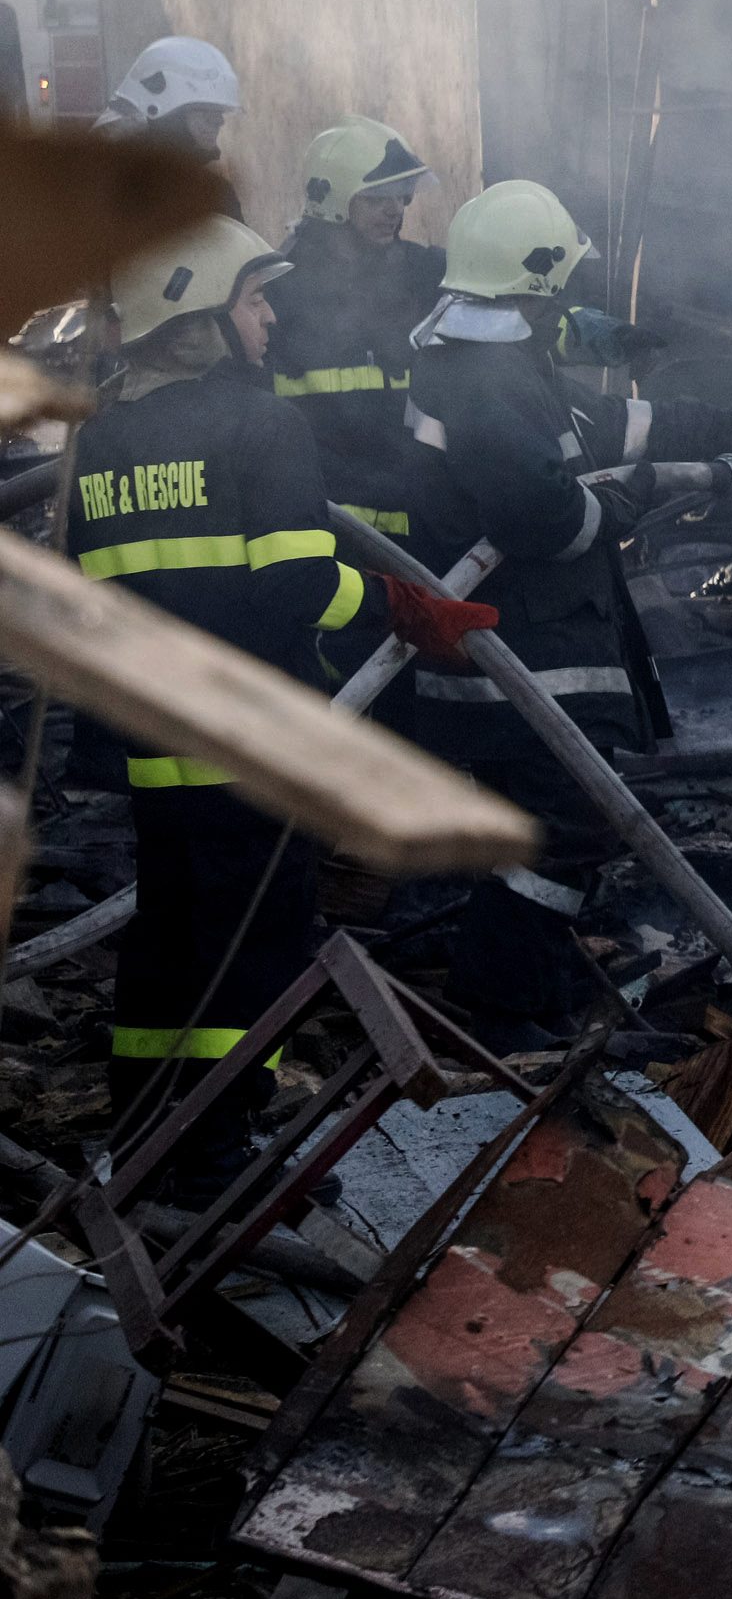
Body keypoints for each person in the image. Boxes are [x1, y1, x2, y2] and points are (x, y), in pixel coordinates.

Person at [67, 217, 484, 1194]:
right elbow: (295, 585)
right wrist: (396, 605)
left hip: (156, 744)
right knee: (256, 951)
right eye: (253, 298)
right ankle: (216, 1154)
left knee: (169, 944)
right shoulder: (260, 423)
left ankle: (147, 1138)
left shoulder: (100, 441)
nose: (268, 317)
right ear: (199, 315)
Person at [399, 180, 732, 885]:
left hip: (527, 656)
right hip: (525, 656)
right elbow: (541, 516)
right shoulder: (486, 380)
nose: (565, 304)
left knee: (536, 837)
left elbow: (618, 425)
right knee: (567, 832)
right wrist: (622, 502)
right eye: (559, 286)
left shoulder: (502, 367)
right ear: (537, 277)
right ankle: (516, 992)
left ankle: (515, 983)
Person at [264, 120, 444, 546]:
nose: (395, 210)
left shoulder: (421, 271)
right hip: (325, 524)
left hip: (414, 516)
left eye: (401, 196)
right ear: (334, 201)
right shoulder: (277, 288)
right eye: (377, 198)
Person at [95, 37, 243, 213]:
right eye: (207, 113)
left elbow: (242, 240)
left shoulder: (207, 191)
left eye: (219, 113)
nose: (220, 122)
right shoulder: (114, 177)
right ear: (169, 114)